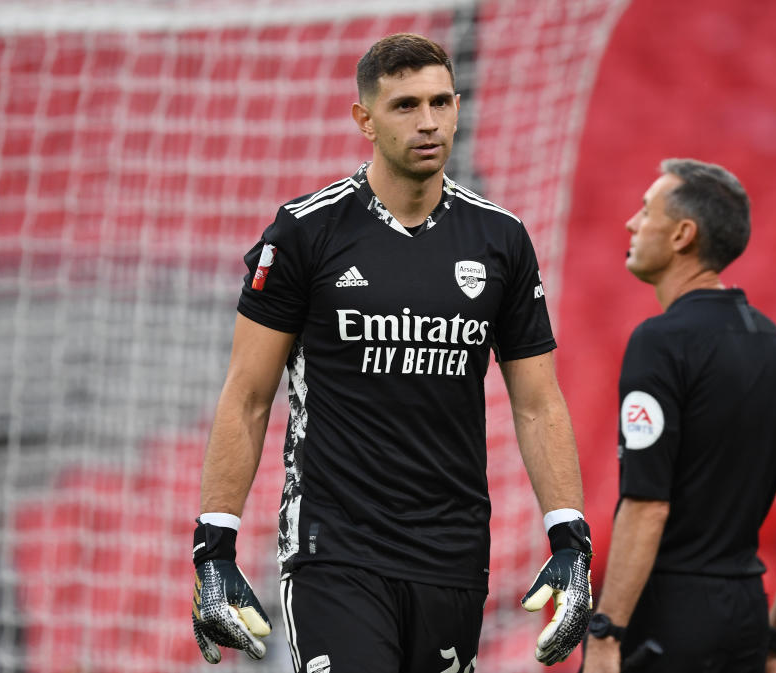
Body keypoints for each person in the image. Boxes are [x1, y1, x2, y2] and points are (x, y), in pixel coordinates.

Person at [189, 33, 593, 673]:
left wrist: (570, 538)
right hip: (335, 546)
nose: (428, 122)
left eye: (440, 102)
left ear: (459, 107)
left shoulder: (502, 240)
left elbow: (539, 403)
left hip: (453, 550)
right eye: (405, 105)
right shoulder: (305, 231)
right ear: (365, 121)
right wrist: (214, 547)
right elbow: (247, 395)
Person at [581, 159, 776, 673]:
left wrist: (607, 633)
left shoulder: (658, 342)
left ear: (682, 234)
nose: (632, 224)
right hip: (745, 617)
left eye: (645, 210)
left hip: (668, 622)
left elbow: (648, 505)